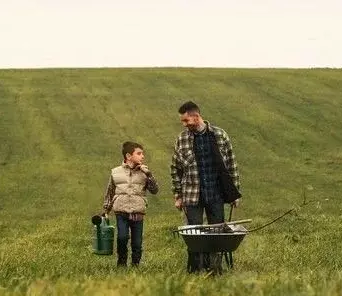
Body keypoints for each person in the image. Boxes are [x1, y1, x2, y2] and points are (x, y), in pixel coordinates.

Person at [170, 101, 241, 273]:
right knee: (194, 233)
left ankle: (214, 269)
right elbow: (175, 169)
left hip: (216, 193)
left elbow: (231, 164)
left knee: (217, 232)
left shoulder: (220, 135)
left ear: (196, 116)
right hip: (192, 195)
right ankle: (195, 269)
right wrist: (178, 195)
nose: (184, 124)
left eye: (186, 120)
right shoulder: (182, 139)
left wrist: (235, 194)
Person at [102, 141, 159, 267]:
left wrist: (148, 174)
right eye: (139, 153)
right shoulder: (115, 172)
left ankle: (135, 264)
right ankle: (121, 263)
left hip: (138, 212)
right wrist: (106, 210)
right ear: (128, 156)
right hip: (121, 211)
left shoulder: (145, 172)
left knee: (137, 242)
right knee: (122, 237)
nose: (142, 156)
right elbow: (110, 191)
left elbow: (155, 190)